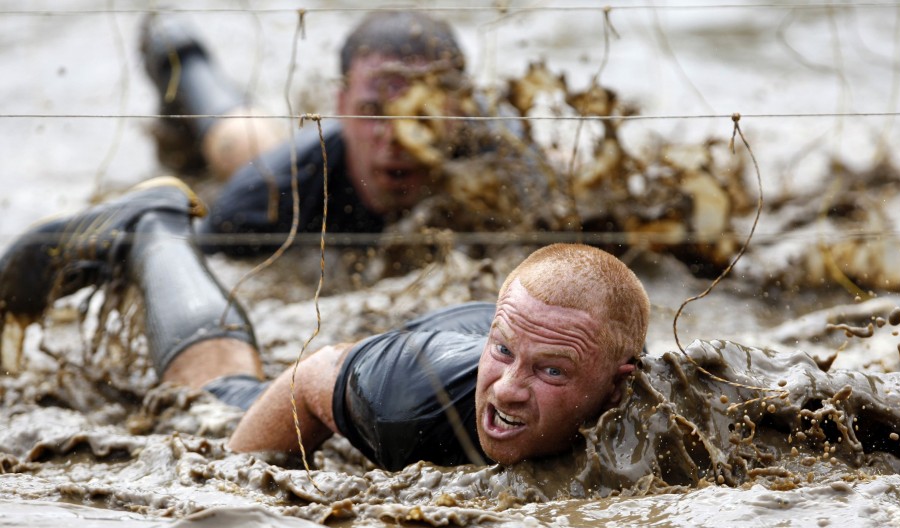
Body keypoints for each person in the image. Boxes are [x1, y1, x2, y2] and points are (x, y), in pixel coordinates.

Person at [0, 178, 650, 469]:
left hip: (518, 328)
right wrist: (236, 492)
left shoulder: (665, 410)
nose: (507, 389)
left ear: (620, 386)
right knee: (217, 395)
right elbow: (311, 378)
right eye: (504, 356)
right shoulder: (411, 407)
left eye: (551, 372)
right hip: (392, 365)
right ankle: (153, 229)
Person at [141, 10, 493, 257]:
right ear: (341, 104)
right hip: (276, 158)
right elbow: (188, 259)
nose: (397, 136)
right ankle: (180, 51)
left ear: (459, 112)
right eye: (374, 111)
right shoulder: (274, 191)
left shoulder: (500, 167)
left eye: (422, 115)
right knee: (242, 143)